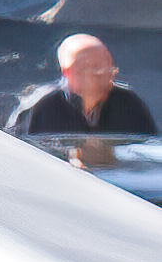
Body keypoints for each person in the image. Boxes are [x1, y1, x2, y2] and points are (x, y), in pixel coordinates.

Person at [8, 32, 155, 168]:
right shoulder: (40, 108)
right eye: (92, 68)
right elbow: (16, 158)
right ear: (67, 72)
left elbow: (149, 153)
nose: (102, 74)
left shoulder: (129, 104)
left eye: (107, 66)